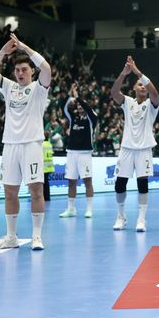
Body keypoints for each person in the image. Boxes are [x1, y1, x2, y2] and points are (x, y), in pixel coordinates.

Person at [0, 33, 51, 251]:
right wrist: (4, 52)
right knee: (10, 192)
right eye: (17, 70)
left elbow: (48, 68)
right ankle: (11, 236)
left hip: (32, 144)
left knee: (36, 191)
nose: (21, 73)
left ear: (32, 71)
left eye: (24, 69)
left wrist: (24, 46)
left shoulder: (39, 89)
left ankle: (37, 236)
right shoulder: (9, 87)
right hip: (10, 145)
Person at [110, 56, 159, 232]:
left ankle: (141, 219)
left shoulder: (152, 104)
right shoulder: (128, 102)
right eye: (139, 84)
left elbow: (154, 93)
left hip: (144, 149)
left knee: (142, 184)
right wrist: (124, 74)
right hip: (126, 149)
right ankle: (121, 216)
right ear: (134, 88)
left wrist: (137, 71)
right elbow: (114, 93)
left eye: (144, 85)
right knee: (120, 184)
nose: (143, 87)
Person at [59, 82, 98, 218]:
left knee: (87, 181)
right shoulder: (73, 117)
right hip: (71, 153)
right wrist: (71, 94)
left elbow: (88, 108)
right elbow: (63, 107)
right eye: (78, 105)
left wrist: (78, 97)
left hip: (85, 153)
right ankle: (71, 209)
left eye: (82, 105)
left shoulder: (92, 118)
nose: (80, 107)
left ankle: (89, 209)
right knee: (71, 181)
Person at [42, 132, 54, 201]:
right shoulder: (49, 144)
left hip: (43, 166)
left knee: (43, 183)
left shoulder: (41, 144)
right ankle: (47, 197)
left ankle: (44, 197)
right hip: (49, 166)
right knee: (46, 183)